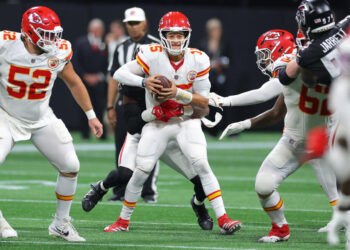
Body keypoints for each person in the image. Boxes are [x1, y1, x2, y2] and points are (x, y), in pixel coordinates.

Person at [104, 11, 242, 234]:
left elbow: (204, 103)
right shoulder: (150, 54)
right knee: (142, 170)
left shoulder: (198, 58)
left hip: (186, 121)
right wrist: (144, 81)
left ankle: (223, 218)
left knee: (202, 164)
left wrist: (179, 95)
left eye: (180, 35)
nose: (176, 40)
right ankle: (122, 221)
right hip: (157, 122)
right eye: (171, 35)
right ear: (162, 35)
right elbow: (119, 73)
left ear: (186, 36)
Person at [210, 29, 339, 241]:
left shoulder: (294, 63)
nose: (262, 59)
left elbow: (264, 93)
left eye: (265, 53)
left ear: (278, 49)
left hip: (323, 139)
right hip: (293, 141)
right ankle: (280, 229)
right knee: (263, 184)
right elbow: (277, 112)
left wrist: (225, 101)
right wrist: (244, 124)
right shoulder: (313, 61)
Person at [0, 6, 103, 241]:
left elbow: (74, 81)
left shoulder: (59, 50)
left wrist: (91, 115)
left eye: (54, 33)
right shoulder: (5, 44)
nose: (52, 39)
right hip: (5, 114)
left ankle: (60, 224)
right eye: (45, 33)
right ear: (28, 31)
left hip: (40, 117)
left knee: (70, 164)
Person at [105, 7, 160, 202]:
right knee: (122, 145)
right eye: (130, 23)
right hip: (125, 102)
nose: (133, 27)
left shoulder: (156, 45)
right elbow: (113, 78)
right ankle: (120, 191)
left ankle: (147, 192)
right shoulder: (121, 47)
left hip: (149, 102)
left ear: (144, 23)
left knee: (149, 145)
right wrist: (110, 107)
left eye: (136, 23)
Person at [73, 18, 108, 140]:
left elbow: (108, 63)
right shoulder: (81, 42)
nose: (98, 31)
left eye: (100, 29)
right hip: (84, 82)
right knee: (84, 106)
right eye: (95, 29)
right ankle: (84, 133)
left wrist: (99, 76)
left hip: (99, 83)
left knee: (100, 107)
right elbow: (76, 62)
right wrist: (85, 76)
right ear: (90, 29)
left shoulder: (106, 43)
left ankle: (102, 134)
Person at [198, 18, 231, 136]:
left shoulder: (225, 43)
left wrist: (220, 64)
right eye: (212, 30)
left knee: (223, 104)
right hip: (207, 78)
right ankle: (210, 130)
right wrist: (210, 65)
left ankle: (227, 129)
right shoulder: (203, 43)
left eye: (217, 30)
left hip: (221, 78)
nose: (215, 32)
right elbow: (199, 60)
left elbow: (229, 61)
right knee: (207, 103)